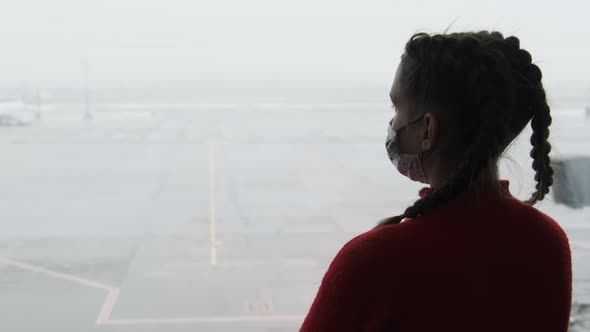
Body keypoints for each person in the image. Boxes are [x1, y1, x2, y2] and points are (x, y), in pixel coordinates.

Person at [300, 30, 572, 331]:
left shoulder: (374, 262)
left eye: (396, 107)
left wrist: (378, 250)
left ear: (428, 130)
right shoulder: (548, 242)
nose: (393, 124)